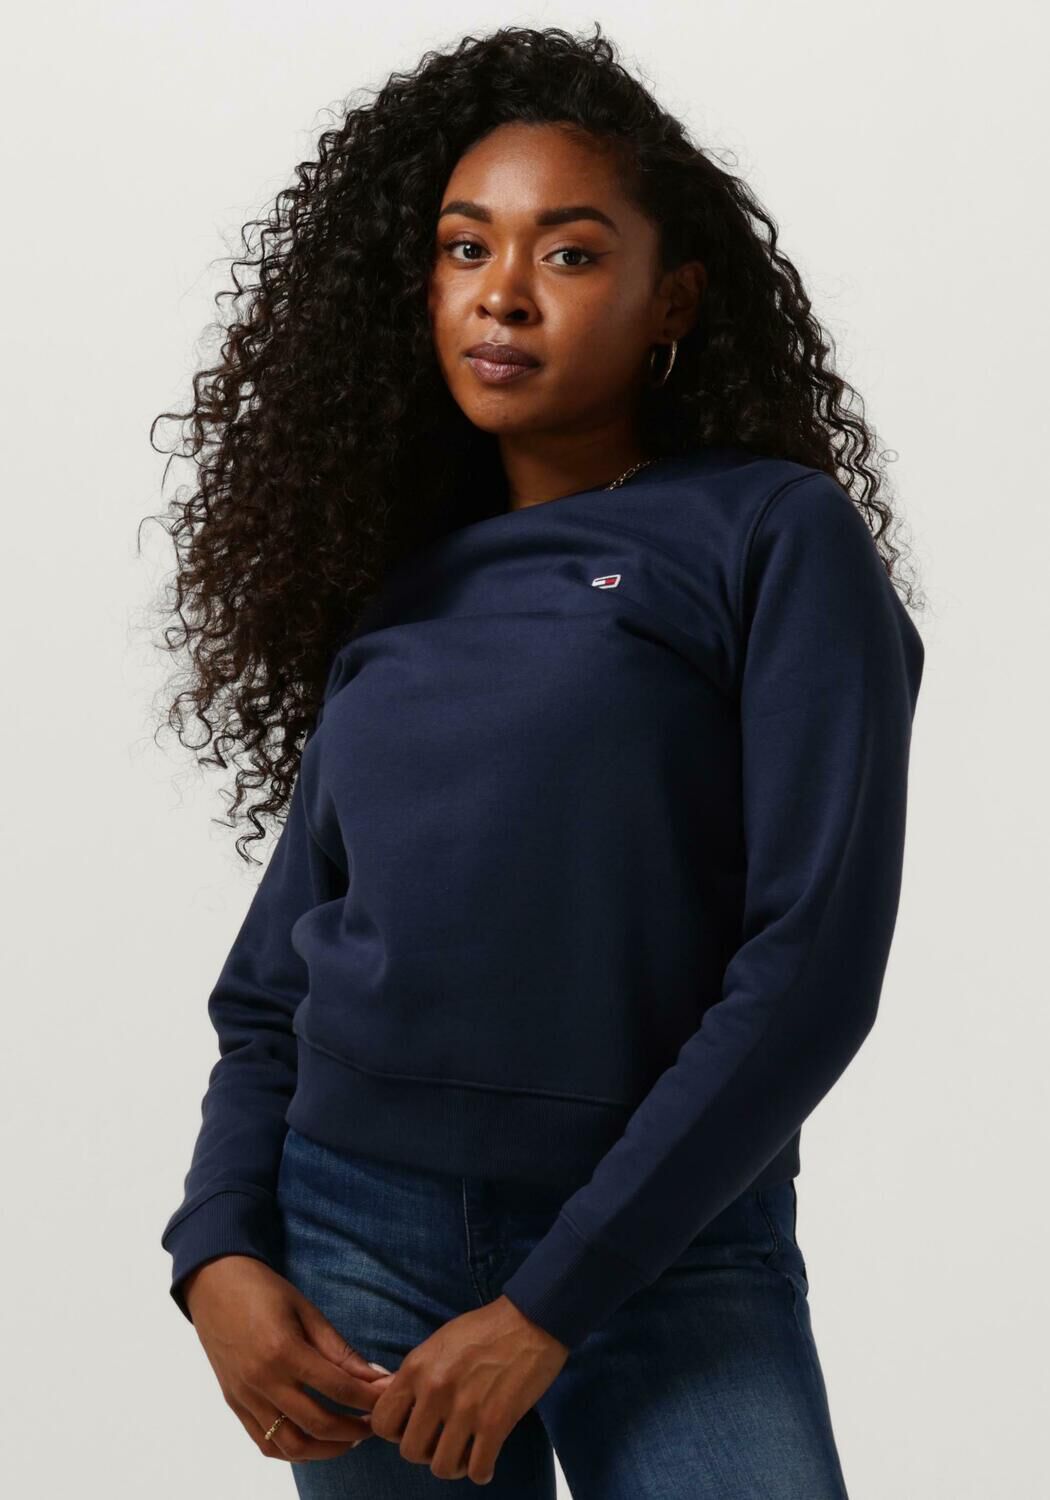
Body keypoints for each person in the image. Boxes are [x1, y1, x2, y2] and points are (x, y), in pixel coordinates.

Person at [152, 23, 926, 1498]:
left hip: (670, 1248)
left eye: (568, 254)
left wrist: (549, 1306)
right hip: (353, 1243)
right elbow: (271, 988)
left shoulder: (770, 536)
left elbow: (811, 966)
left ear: (671, 298)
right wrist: (217, 1251)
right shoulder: (403, 587)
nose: (501, 291)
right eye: (465, 248)